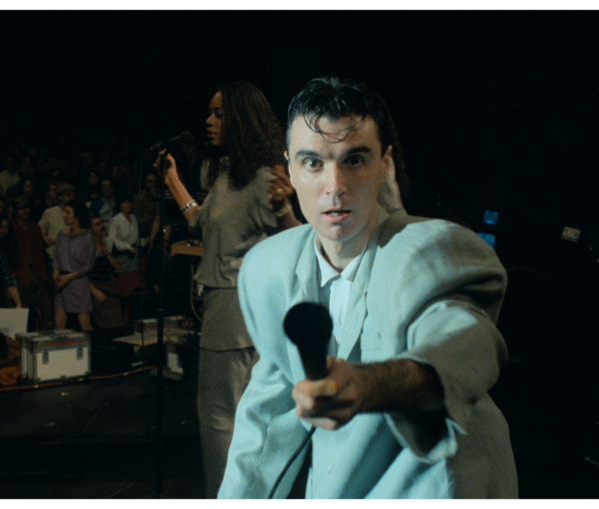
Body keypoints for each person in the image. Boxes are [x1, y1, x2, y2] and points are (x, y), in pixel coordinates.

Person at [219, 77, 517, 501]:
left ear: (385, 165)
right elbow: (267, 416)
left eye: (354, 160)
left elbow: (464, 342)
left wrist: (368, 384)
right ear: (288, 169)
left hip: (439, 483)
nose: (334, 185)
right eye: (313, 163)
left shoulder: (430, 250)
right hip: (344, 480)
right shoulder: (268, 269)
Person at [162, 81, 300, 500]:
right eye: (210, 113)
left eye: (219, 113)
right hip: (235, 307)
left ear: (241, 119)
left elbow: (301, 244)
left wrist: (287, 210)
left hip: (236, 308)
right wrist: (173, 181)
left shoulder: (263, 179)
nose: (209, 121)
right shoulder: (227, 176)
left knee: (220, 417)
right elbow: (203, 223)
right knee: (245, 416)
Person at [11, 197, 54, 331]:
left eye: (27, 208)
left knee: (46, 314)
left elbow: (39, 253)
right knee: (24, 317)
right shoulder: (11, 228)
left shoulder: (35, 227)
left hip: (37, 273)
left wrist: (43, 275)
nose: (25, 211)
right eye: (21, 208)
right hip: (20, 274)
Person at [52, 200, 96, 332]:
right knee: (59, 322)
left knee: (84, 324)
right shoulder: (62, 234)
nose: (64, 215)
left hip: (77, 282)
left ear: (77, 216)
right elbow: (56, 255)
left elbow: (88, 265)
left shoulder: (87, 238)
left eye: (67, 212)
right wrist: (55, 271)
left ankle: (91, 349)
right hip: (61, 282)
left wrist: (70, 276)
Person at [88, 214, 125, 330]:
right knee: (104, 322)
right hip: (93, 285)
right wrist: (94, 291)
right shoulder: (86, 245)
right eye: (97, 224)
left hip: (108, 283)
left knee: (117, 320)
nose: (101, 226)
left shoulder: (109, 242)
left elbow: (118, 266)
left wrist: (107, 254)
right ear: (89, 229)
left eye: (101, 223)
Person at [39, 183, 77, 260]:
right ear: (60, 197)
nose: (71, 198)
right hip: (54, 258)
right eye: (68, 195)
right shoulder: (50, 212)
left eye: (72, 195)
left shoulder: (77, 213)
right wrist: (45, 237)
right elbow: (37, 228)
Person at [107, 195, 140, 272]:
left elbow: (135, 237)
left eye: (129, 202)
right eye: (124, 202)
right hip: (122, 255)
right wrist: (127, 247)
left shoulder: (133, 217)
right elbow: (112, 239)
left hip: (135, 254)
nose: (127, 204)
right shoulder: (116, 220)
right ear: (119, 205)